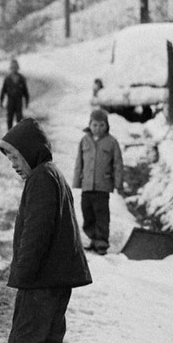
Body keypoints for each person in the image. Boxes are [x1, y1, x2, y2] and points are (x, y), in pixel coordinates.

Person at [0, 118, 92, 343]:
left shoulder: (40, 179)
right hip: (58, 278)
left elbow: (36, 233)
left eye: (14, 157)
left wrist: (22, 273)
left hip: (40, 280)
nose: (13, 165)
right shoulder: (53, 175)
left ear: (30, 153)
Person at [73, 108, 124, 256]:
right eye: (95, 125)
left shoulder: (112, 142)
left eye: (102, 125)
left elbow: (118, 164)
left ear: (107, 126)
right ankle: (93, 238)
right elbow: (79, 162)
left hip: (103, 185)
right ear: (89, 125)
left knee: (101, 214)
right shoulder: (84, 141)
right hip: (87, 185)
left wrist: (118, 184)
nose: (98, 128)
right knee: (87, 212)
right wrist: (77, 181)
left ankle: (102, 241)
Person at [0, 58, 30, 131]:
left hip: (19, 101)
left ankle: (18, 135)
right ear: (10, 68)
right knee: (9, 118)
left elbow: (25, 92)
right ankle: (9, 135)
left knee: (19, 119)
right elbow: (3, 91)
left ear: (18, 68)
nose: (14, 69)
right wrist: (1, 101)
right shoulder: (7, 79)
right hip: (10, 101)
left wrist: (27, 102)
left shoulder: (22, 79)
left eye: (15, 67)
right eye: (12, 67)